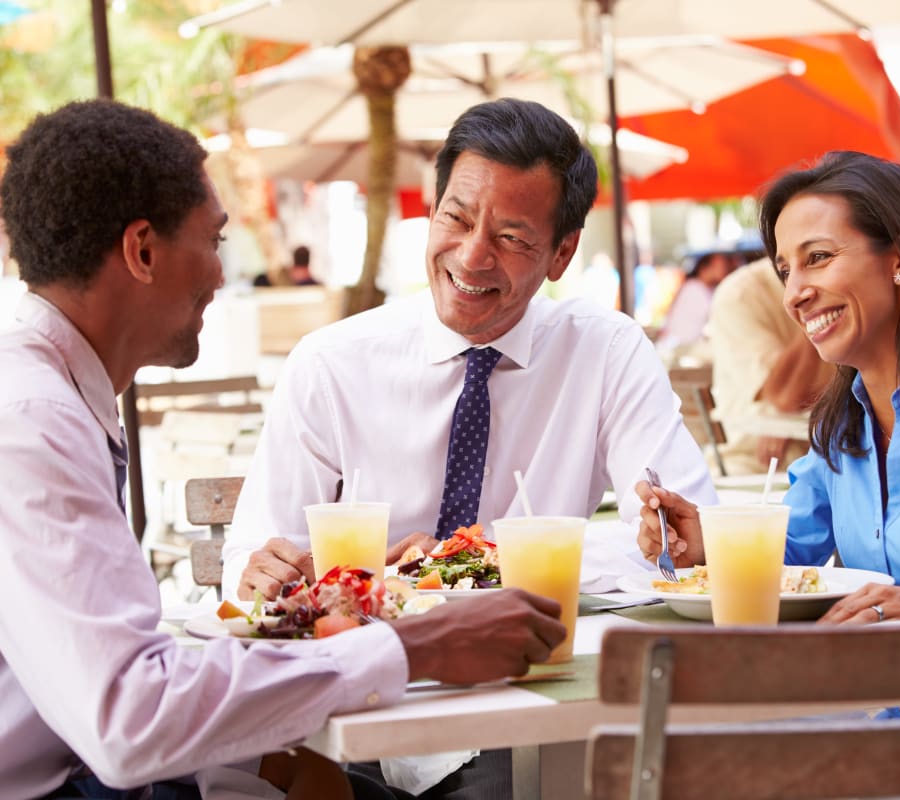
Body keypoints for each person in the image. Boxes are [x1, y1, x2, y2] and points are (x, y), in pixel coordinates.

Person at [0, 98, 567, 800]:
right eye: (215, 242)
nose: (219, 276)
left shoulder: (47, 398)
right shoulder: (29, 421)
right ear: (142, 251)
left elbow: (107, 682)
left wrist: (273, 761)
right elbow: (128, 717)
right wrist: (419, 644)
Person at [223, 98, 717, 797]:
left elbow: (687, 533)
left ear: (562, 253)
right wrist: (261, 571)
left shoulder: (604, 353)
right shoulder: (333, 362)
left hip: (517, 703)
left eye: (513, 236)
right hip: (356, 696)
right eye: (455, 218)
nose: (472, 255)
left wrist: (479, 562)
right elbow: (247, 562)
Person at [638, 151, 900, 721]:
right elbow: (787, 556)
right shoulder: (841, 428)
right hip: (882, 744)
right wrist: (703, 544)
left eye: (819, 259)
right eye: (786, 270)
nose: (794, 294)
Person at [708, 257, 835, 474]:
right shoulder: (741, 294)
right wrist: (816, 313)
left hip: (827, 459)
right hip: (748, 464)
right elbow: (784, 398)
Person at [655, 249, 734, 352]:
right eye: (719, 266)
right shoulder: (694, 288)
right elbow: (719, 317)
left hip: (680, 347)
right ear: (704, 267)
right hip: (678, 349)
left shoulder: (702, 288)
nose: (723, 269)